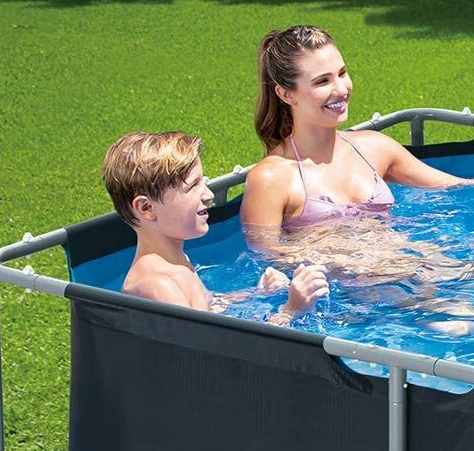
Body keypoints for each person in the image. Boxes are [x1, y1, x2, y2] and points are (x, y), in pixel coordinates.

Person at [240, 25, 474, 235]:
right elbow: (268, 259)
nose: (341, 89)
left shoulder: (374, 148)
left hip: (405, 267)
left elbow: (458, 187)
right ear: (286, 94)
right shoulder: (272, 178)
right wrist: (348, 252)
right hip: (350, 298)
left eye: (342, 73)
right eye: (323, 81)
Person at [102, 130, 326, 322]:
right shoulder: (159, 286)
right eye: (192, 187)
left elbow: (207, 307)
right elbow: (217, 358)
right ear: (147, 208)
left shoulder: (175, 261)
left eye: (204, 183)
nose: (209, 195)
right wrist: (291, 310)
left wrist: (256, 293)